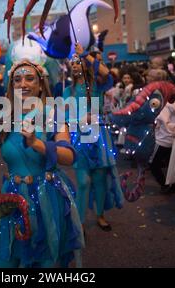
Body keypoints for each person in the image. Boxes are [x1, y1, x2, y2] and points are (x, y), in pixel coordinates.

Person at [0, 59, 84, 268]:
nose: (23, 84)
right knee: (5, 261)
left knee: (42, 261)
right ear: (11, 85)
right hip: (13, 199)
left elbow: (69, 156)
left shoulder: (53, 114)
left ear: (40, 84)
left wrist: (37, 143)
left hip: (47, 198)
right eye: (17, 79)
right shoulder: (3, 118)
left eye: (29, 78)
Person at [63, 43, 123, 233]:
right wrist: (80, 119)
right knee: (83, 182)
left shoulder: (96, 85)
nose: (73, 65)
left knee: (99, 180)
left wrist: (86, 55)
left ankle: (100, 214)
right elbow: (64, 117)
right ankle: (79, 221)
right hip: (79, 139)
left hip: (99, 138)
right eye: (72, 63)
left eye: (77, 62)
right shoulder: (67, 91)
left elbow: (108, 74)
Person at [149, 96, 175, 194]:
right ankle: (173, 186)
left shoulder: (165, 108)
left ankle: (165, 185)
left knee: (153, 164)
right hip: (173, 140)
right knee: (171, 164)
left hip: (162, 140)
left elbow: (164, 124)